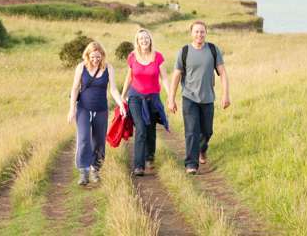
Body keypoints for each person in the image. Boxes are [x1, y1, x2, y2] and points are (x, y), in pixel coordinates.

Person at [168, 21, 230, 175]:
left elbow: (222, 73)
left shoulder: (213, 50)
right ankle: (191, 163)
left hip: (208, 98)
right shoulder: (184, 51)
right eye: (196, 32)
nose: (199, 35)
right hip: (189, 97)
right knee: (191, 130)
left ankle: (202, 149)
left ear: (206, 33)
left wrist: (225, 94)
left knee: (207, 131)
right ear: (191, 33)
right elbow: (176, 76)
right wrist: (171, 98)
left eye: (202, 32)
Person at [68, 41, 126, 185]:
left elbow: (113, 89)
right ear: (87, 55)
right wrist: (72, 109)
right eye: (92, 57)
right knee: (83, 139)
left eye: (98, 57)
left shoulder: (108, 68)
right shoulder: (81, 68)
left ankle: (95, 170)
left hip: (101, 109)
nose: (95, 60)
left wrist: (121, 104)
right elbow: (75, 89)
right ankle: (83, 171)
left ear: (102, 56)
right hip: (83, 109)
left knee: (99, 141)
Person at [122, 28, 170, 176]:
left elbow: (165, 78)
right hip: (135, 98)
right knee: (141, 128)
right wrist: (123, 96)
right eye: (141, 38)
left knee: (150, 130)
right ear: (137, 41)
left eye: (146, 38)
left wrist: (170, 96)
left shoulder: (158, 57)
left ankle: (150, 156)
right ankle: (138, 165)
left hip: (153, 98)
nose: (144, 40)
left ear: (150, 40)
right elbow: (129, 77)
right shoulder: (132, 57)